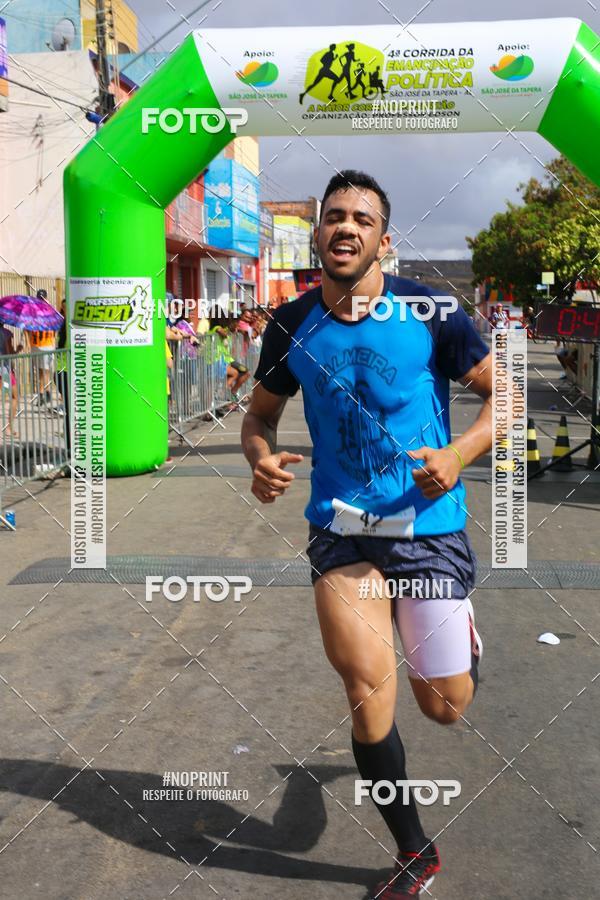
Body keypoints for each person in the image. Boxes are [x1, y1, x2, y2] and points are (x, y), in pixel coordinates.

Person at [242, 170, 492, 898]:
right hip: (343, 533)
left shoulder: (431, 309)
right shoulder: (291, 325)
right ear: (318, 232)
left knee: (443, 706)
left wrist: (458, 453)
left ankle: (457, 640)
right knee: (366, 690)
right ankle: (415, 853)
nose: (346, 228)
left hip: (427, 528)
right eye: (334, 217)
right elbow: (258, 418)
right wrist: (260, 460)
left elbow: (501, 393)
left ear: (385, 237)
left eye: (362, 219)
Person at [0, 324, 18, 438]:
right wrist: (19, 349)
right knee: (14, 397)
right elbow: (9, 352)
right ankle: (8, 428)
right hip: (4, 370)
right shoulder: (6, 333)